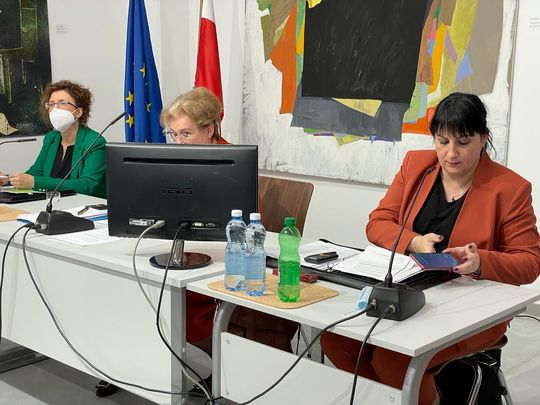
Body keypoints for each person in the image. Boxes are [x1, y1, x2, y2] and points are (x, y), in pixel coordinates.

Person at [320, 92, 540, 405]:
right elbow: (377, 222)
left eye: (463, 142)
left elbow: (530, 263)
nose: (451, 153)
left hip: (472, 306)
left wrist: (480, 262)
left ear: (483, 139)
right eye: (442, 141)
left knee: (393, 359)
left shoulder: (510, 188)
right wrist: (414, 241)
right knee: (337, 340)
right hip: (410, 292)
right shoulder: (416, 166)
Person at [161, 86, 298, 354]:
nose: (178, 142)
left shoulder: (234, 164)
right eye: (173, 134)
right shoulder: (178, 160)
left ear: (209, 130)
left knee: (171, 294)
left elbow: (246, 225)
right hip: (190, 252)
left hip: (226, 260)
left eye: (186, 134)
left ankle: (208, 364)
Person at [0, 80, 106, 198]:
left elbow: (87, 185)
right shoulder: (51, 138)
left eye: (62, 103)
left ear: (78, 112)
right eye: (51, 104)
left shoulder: (95, 141)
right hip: (54, 203)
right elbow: (36, 173)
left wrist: (35, 182)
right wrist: (7, 179)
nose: (55, 109)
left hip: (86, 205)